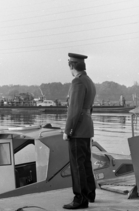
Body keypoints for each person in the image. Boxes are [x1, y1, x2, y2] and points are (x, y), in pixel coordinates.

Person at [63, 53, 96, 209]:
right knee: (85, 163)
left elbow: (74, 110)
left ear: (71, 66)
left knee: (77, 165)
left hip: (77, 129)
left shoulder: (77, 82)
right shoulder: (89, 81)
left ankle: (80, 199)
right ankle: (90, 193)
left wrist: (67, 130)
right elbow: (89, 108)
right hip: (87, 127)